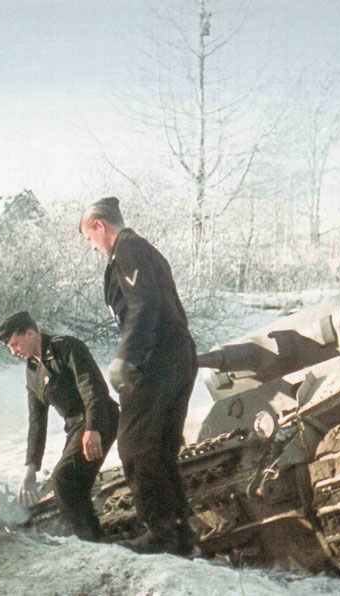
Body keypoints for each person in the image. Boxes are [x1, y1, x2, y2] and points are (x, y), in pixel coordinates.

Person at [78, 196, 198, 555]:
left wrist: (127, 359)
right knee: (161, 446)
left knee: (135, 445)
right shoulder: (145, 251)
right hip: (176, 355)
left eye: (89, 236)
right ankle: (179, 533)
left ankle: (161, 533)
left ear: (100, 225)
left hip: (155, 359)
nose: (91, 245)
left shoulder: (128, 250)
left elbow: (144, 307)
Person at [0, 310, 119, 542]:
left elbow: (93, 388)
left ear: (31, 333)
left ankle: (93, 543)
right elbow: (37, 422)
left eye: (15, 344)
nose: (13, 351)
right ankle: (93, 538)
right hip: (75, 428)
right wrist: (31, 468)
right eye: (10, 347)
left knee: (65, 479)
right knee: (70, 484)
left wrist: (93, 429)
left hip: (99, 417)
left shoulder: (67, 347)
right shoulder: (32, 371)